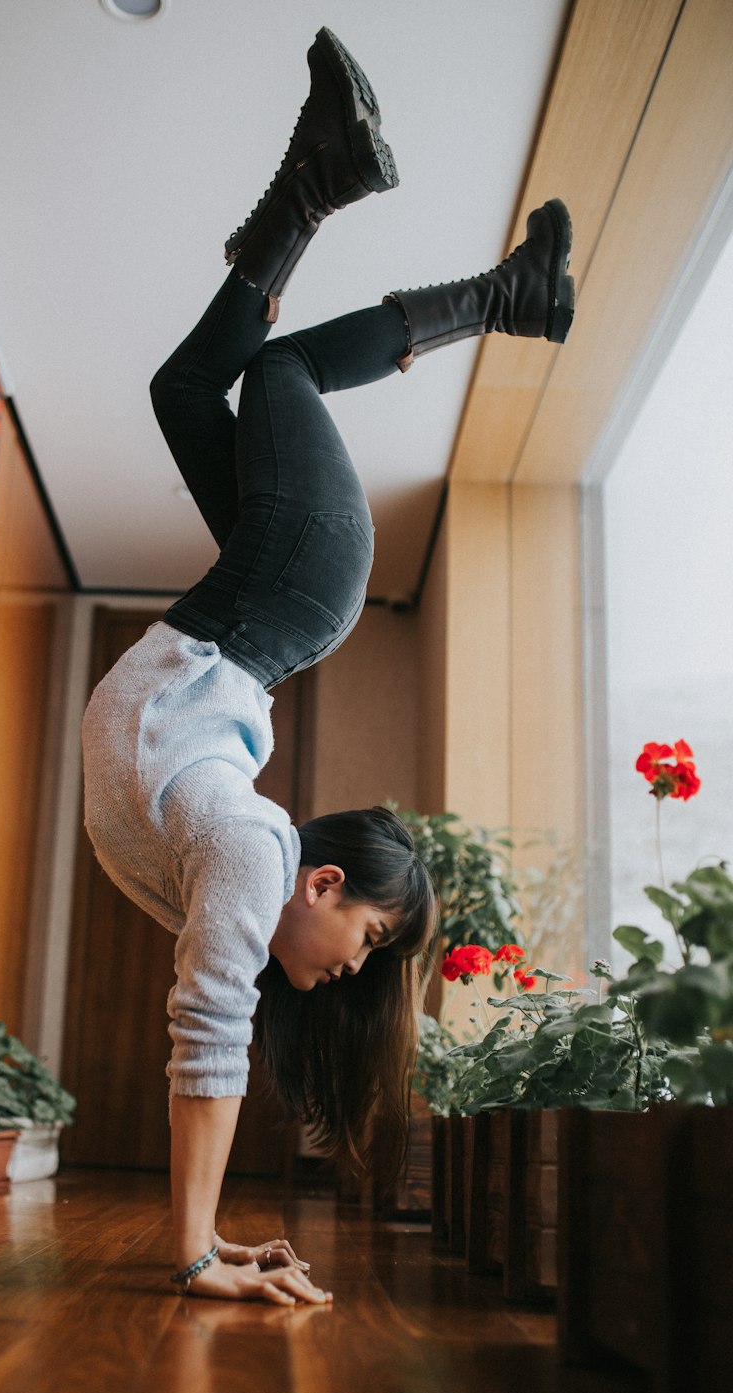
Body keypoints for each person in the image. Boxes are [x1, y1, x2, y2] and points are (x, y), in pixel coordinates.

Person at [82, 27, 574, 1305]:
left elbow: (206, 1044)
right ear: (324, 879)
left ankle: (323, 177)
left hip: (257, 606)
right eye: (366, 941)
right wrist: (192, 1255)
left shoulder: (233, 872)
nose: (354, 967)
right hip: (284, 593)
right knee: (282, 368)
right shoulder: (250, 853)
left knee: (190, 394)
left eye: (364, 956)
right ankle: (503, 295)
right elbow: (208, 1057)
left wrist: (205, 1249)